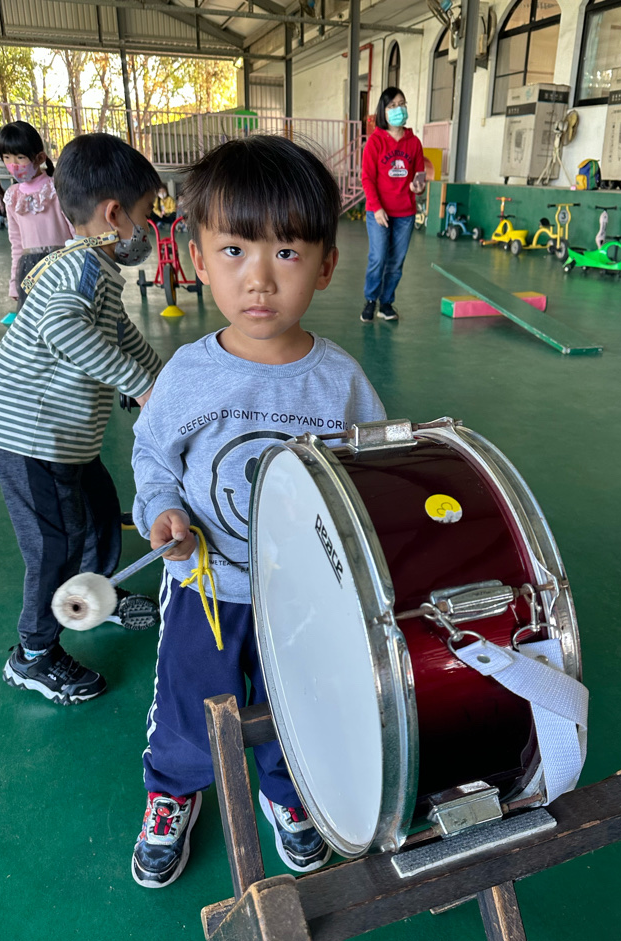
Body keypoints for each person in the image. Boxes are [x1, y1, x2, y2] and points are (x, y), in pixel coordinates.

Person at [130, 134, 386, 888]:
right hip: (205, 589)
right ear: (198, 260)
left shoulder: (340, 382)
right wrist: (163, 510)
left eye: (287, 252)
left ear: (326, 265)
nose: (260, 279)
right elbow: (153, 458)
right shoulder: (188, 374)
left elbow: (370, 474)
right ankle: (173, 792)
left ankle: (285, 790)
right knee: (190, 704)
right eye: (235, 250)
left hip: (304, 595)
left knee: (296, 702)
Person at [0, 133, 164, 707]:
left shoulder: (94, 268)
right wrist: (139, 386)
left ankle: (94, 595)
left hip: (63, 437)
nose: (148, 227)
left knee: (99, 511)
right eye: (146, 213)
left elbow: (121, 335)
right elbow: (60, 327)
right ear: (115, 214)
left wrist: (166, 382)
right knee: (53, 543)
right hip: (27, 435)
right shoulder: (80, 269)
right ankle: (33, 654)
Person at [360, 87, 426, 323]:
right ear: (384, 111)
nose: (399, 109)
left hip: (405, 213)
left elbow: (419, 176)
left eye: (402, 104)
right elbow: (367, 178)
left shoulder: (414, 143)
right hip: (379, 212)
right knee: (378, 258)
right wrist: (376, 207)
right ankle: (371, 300)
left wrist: (418, 187)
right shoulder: (375, 142)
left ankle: (386, 303)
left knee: (396, 262)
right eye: (392, 106)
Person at [0, 121, 73, 310]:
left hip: (61, 264)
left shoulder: (56, 188)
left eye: (20, 157)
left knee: (63, 315)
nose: (13, 164)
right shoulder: (12, 196)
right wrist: (14, 282)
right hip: (29, 271)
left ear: (39, 158)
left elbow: (74, 229)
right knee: (34, 320)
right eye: (7, 157)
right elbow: (16, 243)